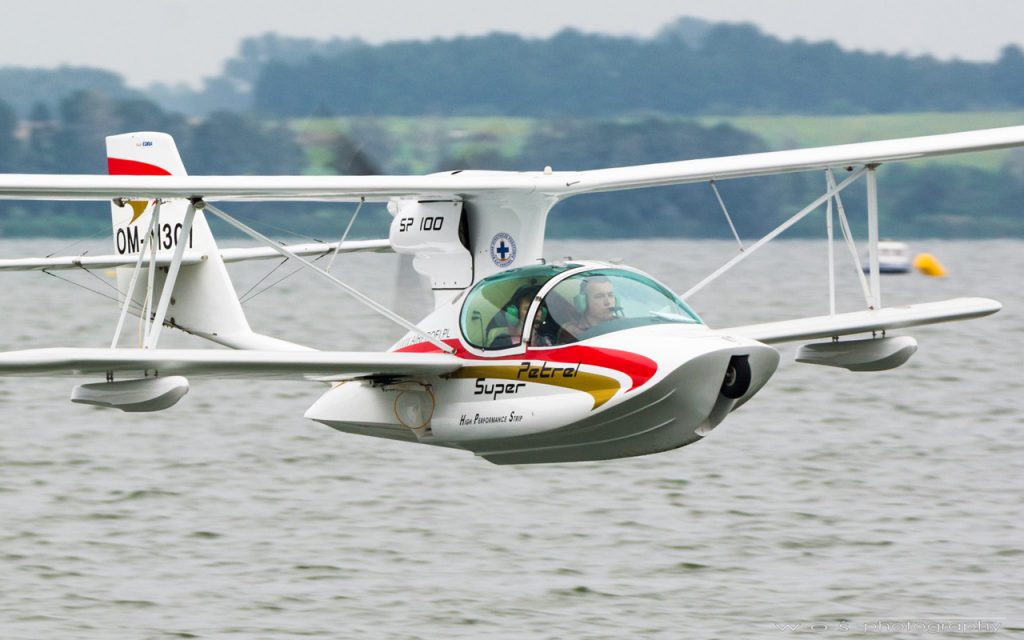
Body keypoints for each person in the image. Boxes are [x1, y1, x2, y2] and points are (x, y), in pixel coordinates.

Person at [560, 275, 618, 341]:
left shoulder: (624, 324)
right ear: (583, 301)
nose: (608, 302)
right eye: (599, 296)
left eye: (611, 295)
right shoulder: (571, 333)